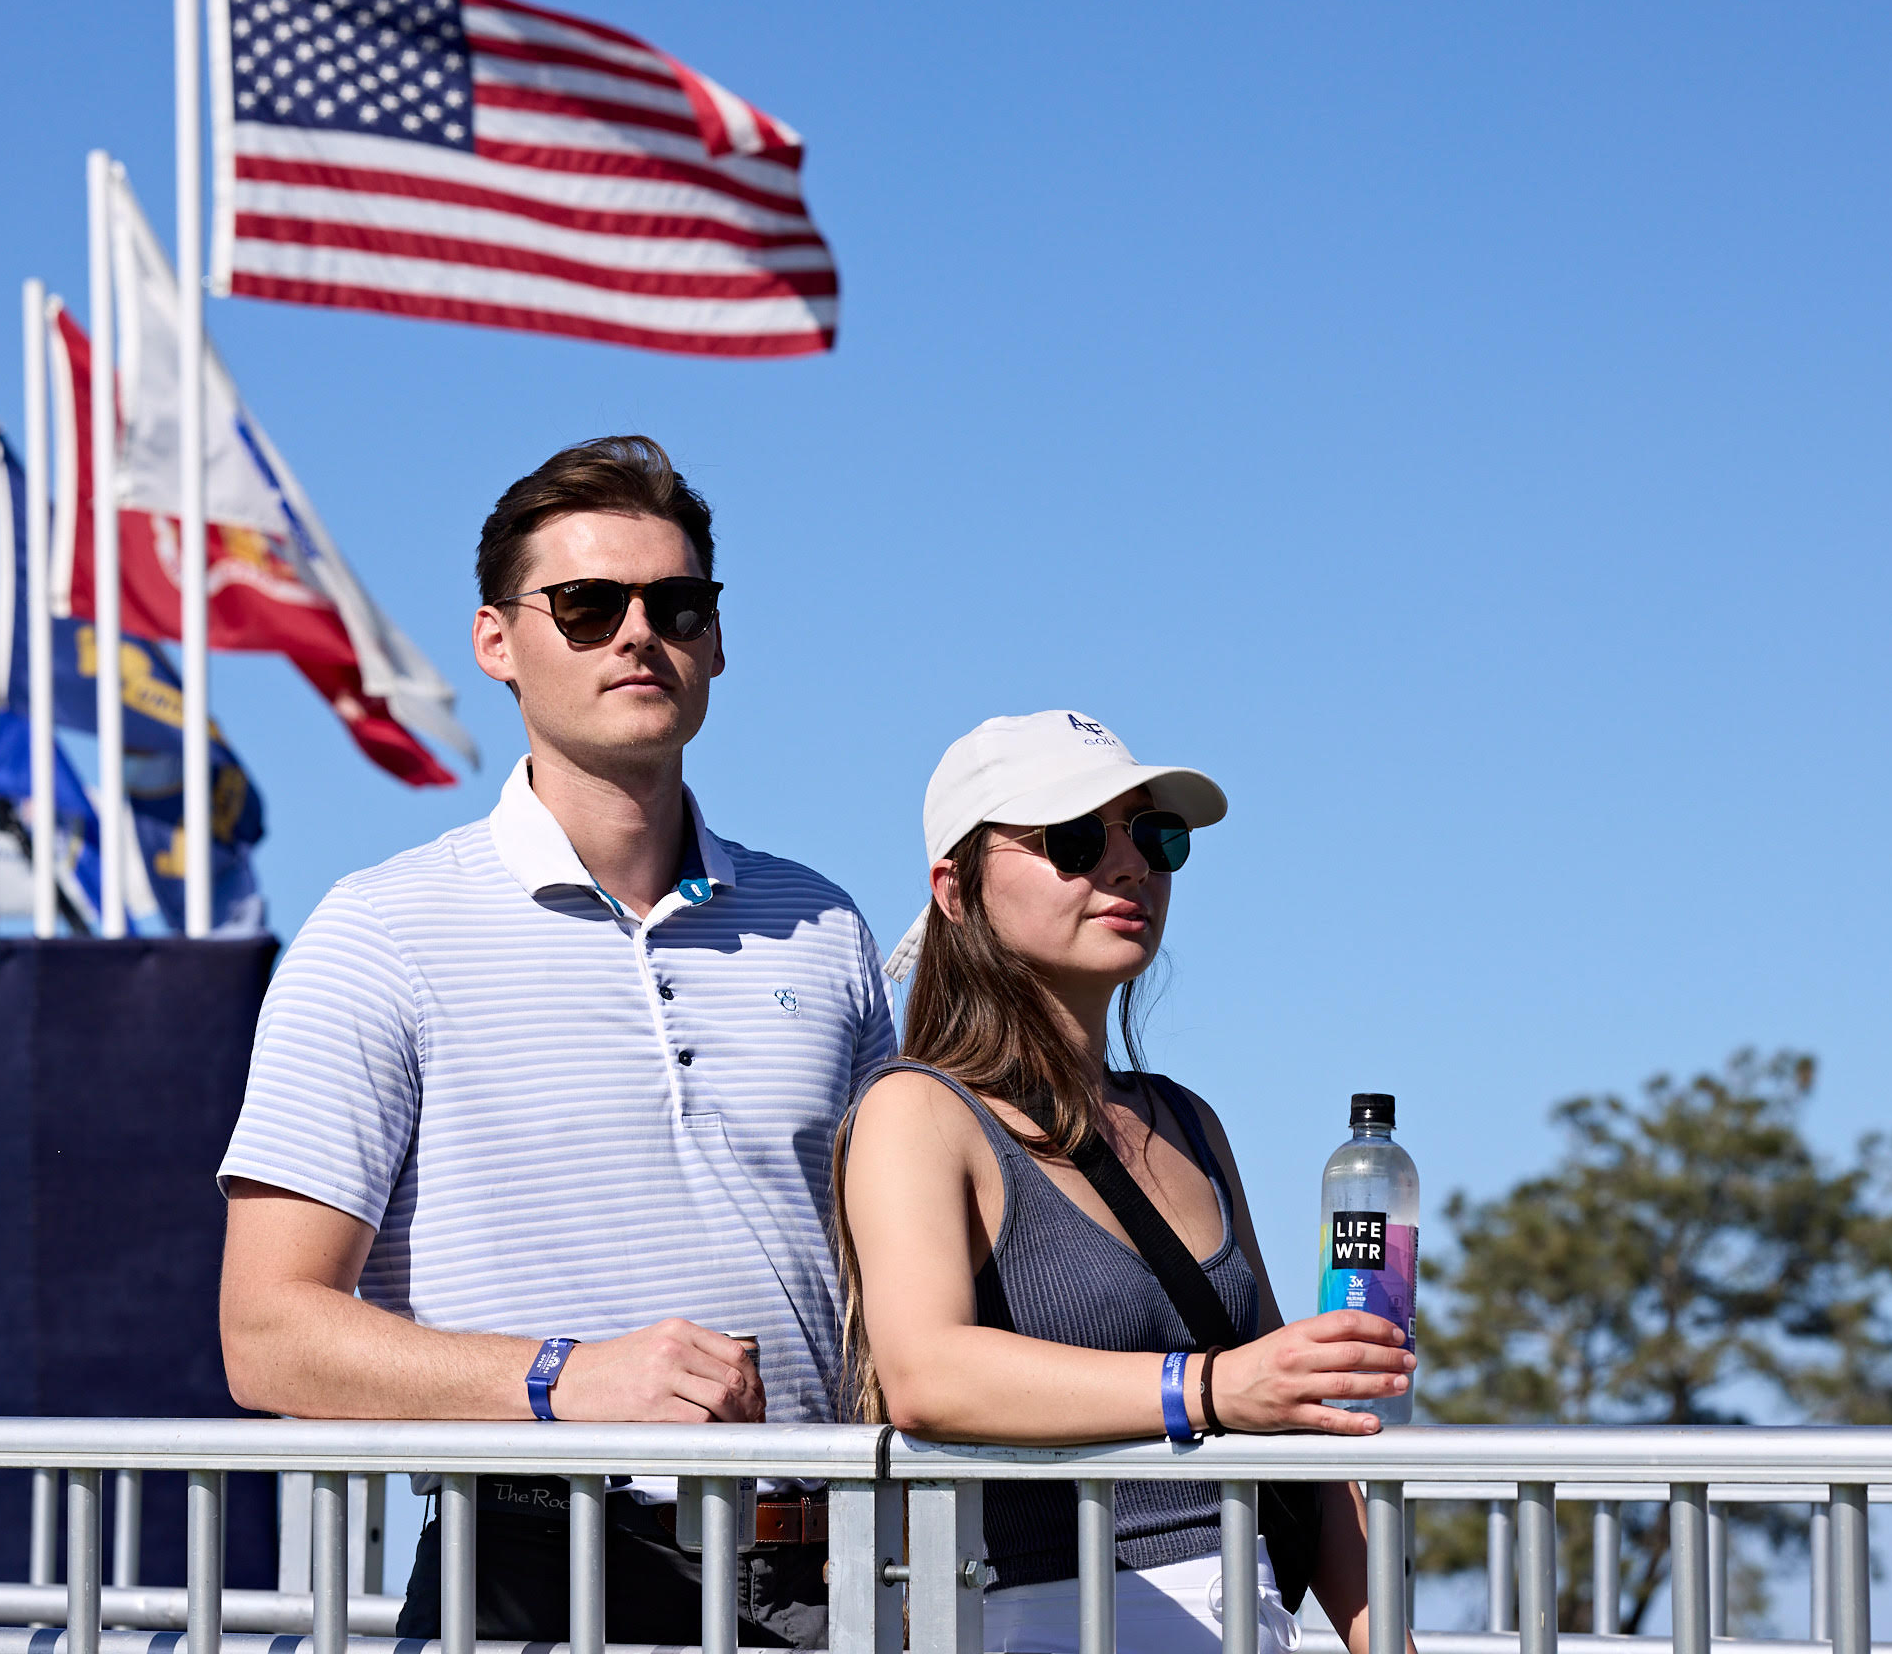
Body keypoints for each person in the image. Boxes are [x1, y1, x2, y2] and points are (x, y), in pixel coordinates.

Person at [217, 436, 895, 1649]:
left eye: (676, 603)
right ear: (495, 641)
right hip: (534, 1570)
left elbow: (892, 1287)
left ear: (716, 640)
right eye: (586, 604)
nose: (638, 632)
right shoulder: (380, 929)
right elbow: (265, 1332)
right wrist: (561, 1378)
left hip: (830, 1577)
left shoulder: (823, 923)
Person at [836, 712, 1415, 1654]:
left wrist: (1381, 1638)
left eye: (1154, 835)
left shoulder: (1188, 1120)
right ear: (955, 889)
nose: (1128, 866)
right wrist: (1213, 1387)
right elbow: (925, 1375)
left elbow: (1297, 1416)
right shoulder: (918, 1112)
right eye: (1072, 838)